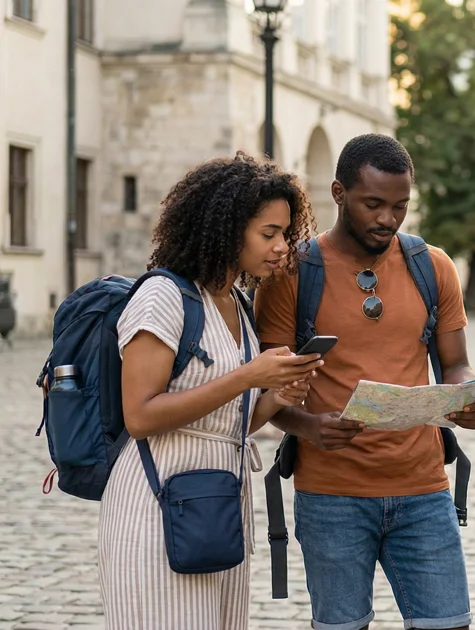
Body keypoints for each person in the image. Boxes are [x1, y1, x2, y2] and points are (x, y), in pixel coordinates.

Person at [255, 134, 475, 630]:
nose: (388, 218)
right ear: (339, 193)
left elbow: (456, 363)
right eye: (374, 204)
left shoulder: (433, 266)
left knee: (448, 623)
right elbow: (264, 391)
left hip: (424, 490)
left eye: (400, 206)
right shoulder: (292, 273)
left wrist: (465, 398)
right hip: (330, 495)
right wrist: (309, 426)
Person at [101, 153, 321, 628]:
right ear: (225, 228)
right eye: (269, 234)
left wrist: (277, 395)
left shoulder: (237, 304)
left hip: (219, 507)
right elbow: (139, 414)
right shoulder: (163, 296)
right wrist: (247, 377)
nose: (283, 246)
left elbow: (231, 423)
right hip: (158, 506)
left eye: (285, 233)